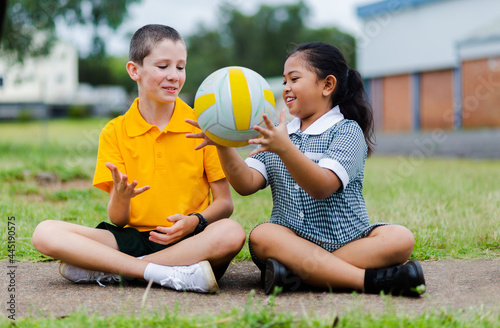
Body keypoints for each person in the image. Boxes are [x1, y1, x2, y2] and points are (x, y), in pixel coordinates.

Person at [187, 41, 426, 297]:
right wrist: (223, 144)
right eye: (284, 81)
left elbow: (322, 186)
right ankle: (364, 279)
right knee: (262, 235)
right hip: (290, 243)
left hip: (350, 241)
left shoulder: (347, 131)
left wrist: (285, 149)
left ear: (327, 85)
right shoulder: (278, 134)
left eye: (294, 79)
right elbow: (246, 185)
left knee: (400, 238)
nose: (286, 88)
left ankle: (300, 274)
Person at [32, 24, 246, 293]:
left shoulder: (203, 125)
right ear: (135, 70)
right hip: (134, 238)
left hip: (190, 241)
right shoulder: (115, 131)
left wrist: (194, 222)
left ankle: (118, 269)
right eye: (163, 66)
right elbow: (119, 220)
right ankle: (160, 273)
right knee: (45, 232)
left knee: (232, 232)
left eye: (180, 67)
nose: (174, 76)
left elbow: (225, 204)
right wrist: (121, 198)